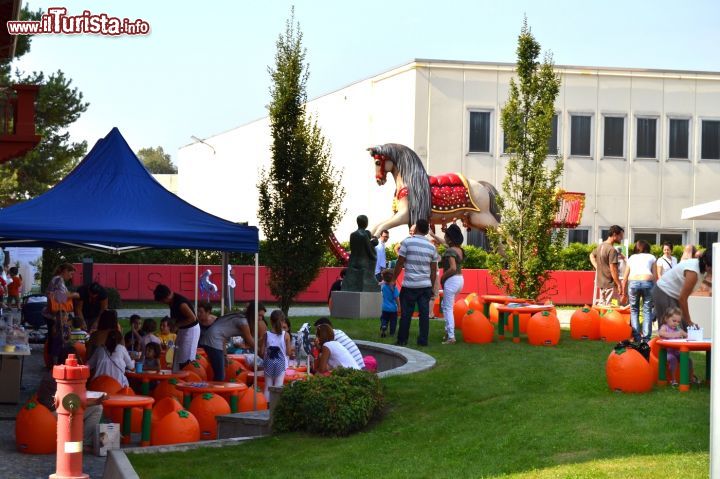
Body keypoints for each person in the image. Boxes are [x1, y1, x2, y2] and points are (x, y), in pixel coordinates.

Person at [36, 346, 105, 449]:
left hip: (46, 410)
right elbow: (73, 403)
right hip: (55, 412)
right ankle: (83, 441)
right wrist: (96, 402)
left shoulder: (54, 372)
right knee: (97, 408)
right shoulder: (65, 375)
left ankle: (81, 439)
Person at [393, 218, 439, 346]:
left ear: (417, 228)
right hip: (425, 286)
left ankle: (402, 340)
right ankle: (423, 341)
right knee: (424, 315)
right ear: (427, 231)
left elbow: (400, 262)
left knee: (406, 314)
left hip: (409, 285)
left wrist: (393, 279)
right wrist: (431, 287)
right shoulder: (432, 247)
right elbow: (433, 270)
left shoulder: (408, 243)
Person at [652, 249, 712, 330]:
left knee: (684, 329)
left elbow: (704, 282)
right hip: (664, 292)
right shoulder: (693, 272)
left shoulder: (702, 267)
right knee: (672, 330)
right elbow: (683, 299)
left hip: (673, 295)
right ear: (708, 265)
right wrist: (689, 321)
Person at [198, 301, 255, 381]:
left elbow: (223, 335)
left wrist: (224, 355)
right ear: (253, 313)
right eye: (259, 315)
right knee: (220, 375)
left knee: (219, 372)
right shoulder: (243, 321)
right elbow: (249, 340)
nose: (260, 318)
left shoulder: (238, 317)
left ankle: (214, 390)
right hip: (213, 341)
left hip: (212, 340)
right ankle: (214, 392)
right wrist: (261, 352)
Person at [153, 284, 199, 371]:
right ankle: (177, 374)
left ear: (166, 297)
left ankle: (187, 375)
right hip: (183, 328)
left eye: (162, 301)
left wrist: (177, 325)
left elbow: (193, 318)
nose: (163, 303)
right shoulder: (171, 301)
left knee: (186, 356)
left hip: (191, 330)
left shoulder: (181, 303)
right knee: (178, 354)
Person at [621, 240, 656, 341]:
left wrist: (623, 290)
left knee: (634, 310)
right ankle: (646, 338)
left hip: (633, 283)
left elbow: (625, 276)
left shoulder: (632, 258)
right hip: (647, 281)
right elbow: (655, 276)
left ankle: (636, 337)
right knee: (647, 311)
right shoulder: (651, 257)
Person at [45, 263, 80, 364]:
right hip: (56, 315)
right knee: (57, 340)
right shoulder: (58, 280)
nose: (71, 277)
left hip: (55, 314)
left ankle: (52, 361)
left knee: (54, 339)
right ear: (64, 271)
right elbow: (58, 297)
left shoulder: (56, 280)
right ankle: (54, 362)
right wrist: (74, 295)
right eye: (70, 274)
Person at [259, 310, 294, 400]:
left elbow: (262, 352)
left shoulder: (266, 334)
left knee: (268, 386)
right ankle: (276, 408)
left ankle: (266, 407)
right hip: (280, 364)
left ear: (271, 321)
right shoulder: (286, 335)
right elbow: (288, 353)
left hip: (268, 363)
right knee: (278, 386)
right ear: (283, 322)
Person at [439, 224, 465, 345]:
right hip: (460, 280)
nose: (444, 237)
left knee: (448, 308)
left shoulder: (449, 251)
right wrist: (433, 235)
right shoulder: (460, 249)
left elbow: (453, 268)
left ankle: (451, 337)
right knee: (446, 305)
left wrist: (442, 278)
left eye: (445, 235)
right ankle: (448, 332)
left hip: (452, 280)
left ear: (449, 238)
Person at [589, 226, 625, 305]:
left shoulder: (600, 246)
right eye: (621, 236)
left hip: (601, 283)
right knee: (610, 309)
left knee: (603, 307)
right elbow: (613, 269)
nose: (621, 238)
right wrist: (619, 284)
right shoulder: (612, 250)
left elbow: (591, 255)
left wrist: (597, 267)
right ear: (615, 234)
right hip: (610, 284)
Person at [657, 307, 689, 386]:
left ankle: (690, 378)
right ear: (666, 318)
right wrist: (674, 335)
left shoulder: (678, 328)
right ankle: (673, 379)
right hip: (667, 352)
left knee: (688, 360)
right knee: (673, 359)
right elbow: (661, 333)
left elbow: (686, 335)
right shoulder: (665, 327)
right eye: (674, 321)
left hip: (677, 351)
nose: (676, 323)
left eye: (678, 322)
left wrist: (691, 334)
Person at [379, 269, 400, 338]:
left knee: (384, 319)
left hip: (385, 307)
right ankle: (392, 333)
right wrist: (399, 306)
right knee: (393, 321)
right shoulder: (394, 288)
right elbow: (396, 298)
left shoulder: (383, 287)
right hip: (393, 309)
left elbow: (383, 282)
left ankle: (384, 326)